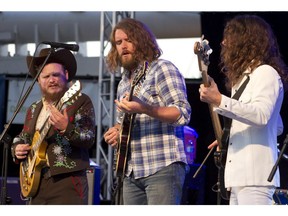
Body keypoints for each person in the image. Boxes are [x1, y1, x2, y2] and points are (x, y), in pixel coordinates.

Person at [199, 14, 288, 205]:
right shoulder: (241, 81)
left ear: (246, 40)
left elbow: (262, 116)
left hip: (255, 176)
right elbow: (277, 125)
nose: (223, 42)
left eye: (229, 37)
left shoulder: (266, 73)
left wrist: (219, 99)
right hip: (238, 177)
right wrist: (231, 134)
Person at [103, 18, 191, 205]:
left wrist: (145, 108)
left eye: (129, 40)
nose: (123, 46)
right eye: (118, 43)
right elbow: (124, 122)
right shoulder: (123, 83)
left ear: (142, 40)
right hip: (131, 171)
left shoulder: (162, 68)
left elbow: (182, 113)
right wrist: (117, 130)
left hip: (162, 166)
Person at [10, 47, 96, 204]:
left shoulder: (80, 101)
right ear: (38, 80)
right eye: (46, 76)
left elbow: (89, 138)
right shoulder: (34, 108)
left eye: (56, 75)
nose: (52, 80)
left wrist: (66, 128)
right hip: (37, 183)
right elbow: (22, 137)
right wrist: (17, 148)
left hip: (68, 182)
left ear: (66, 75)